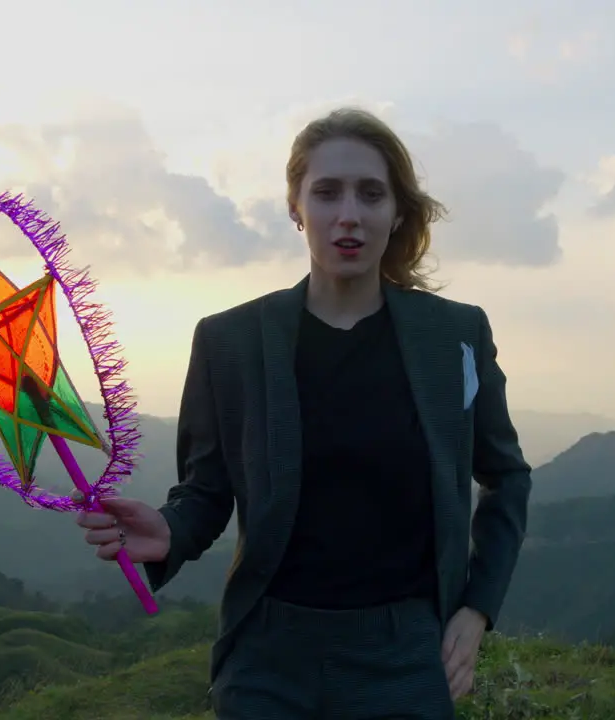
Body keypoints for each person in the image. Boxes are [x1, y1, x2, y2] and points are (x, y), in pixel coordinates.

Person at [76, 106, 532, 719]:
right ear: (296, 208)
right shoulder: (229, 341)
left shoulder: (454, 336)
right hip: (269, 655)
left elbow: (505, 476)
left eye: (371, 193)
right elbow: (207, 487)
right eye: (326, 193)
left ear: (397, 211)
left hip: (405, 655)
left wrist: (477, 609)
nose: (349, 214)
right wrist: (170, 531)